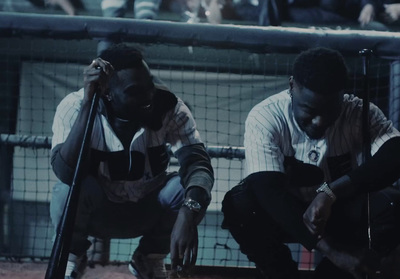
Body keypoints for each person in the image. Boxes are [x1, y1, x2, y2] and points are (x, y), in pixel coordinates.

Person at [221, 47, 400, 278]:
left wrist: (330, 192)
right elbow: (268, 192)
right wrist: (332, 251)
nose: (319, 121)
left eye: (330, 110)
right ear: (292, 86)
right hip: (285, 215)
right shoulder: (266, 116)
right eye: (309, 110)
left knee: (394, 206)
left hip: (337, 213)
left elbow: (395, 154)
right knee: (239, 204)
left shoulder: (359, 111)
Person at [50, 43, 214, 279]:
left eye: (149, 86)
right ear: (107, 91)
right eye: (134, 91)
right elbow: (65, 172)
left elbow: (199, 165)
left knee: (188, 188)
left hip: (147, 210)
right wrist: (88, 104)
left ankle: (149, 258)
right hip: (99, 212)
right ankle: (73, 258)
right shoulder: (74, 106)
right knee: (65, 190)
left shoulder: (171, 107)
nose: (147, 96)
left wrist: (190, 211)